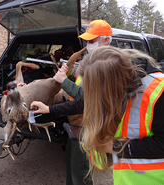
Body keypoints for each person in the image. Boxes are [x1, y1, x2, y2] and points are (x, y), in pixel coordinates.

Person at [31, 46, 164, 185]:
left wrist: (115, 146)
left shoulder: (159, 92)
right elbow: (87, 101)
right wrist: (50, 109)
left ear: (114, 82)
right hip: (126, 177)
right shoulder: (120, 85)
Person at [53, 19, 113, 185]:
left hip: (90, 128)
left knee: (82, 172)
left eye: (92, 41)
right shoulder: (92, 60)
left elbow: (88, 98)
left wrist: (64, 81)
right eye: (87, 40)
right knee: (72, 166)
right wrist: (68, 76)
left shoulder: (108, 64)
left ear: (106, 40)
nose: (88, 44)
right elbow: (80, 85)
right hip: (76, 124)